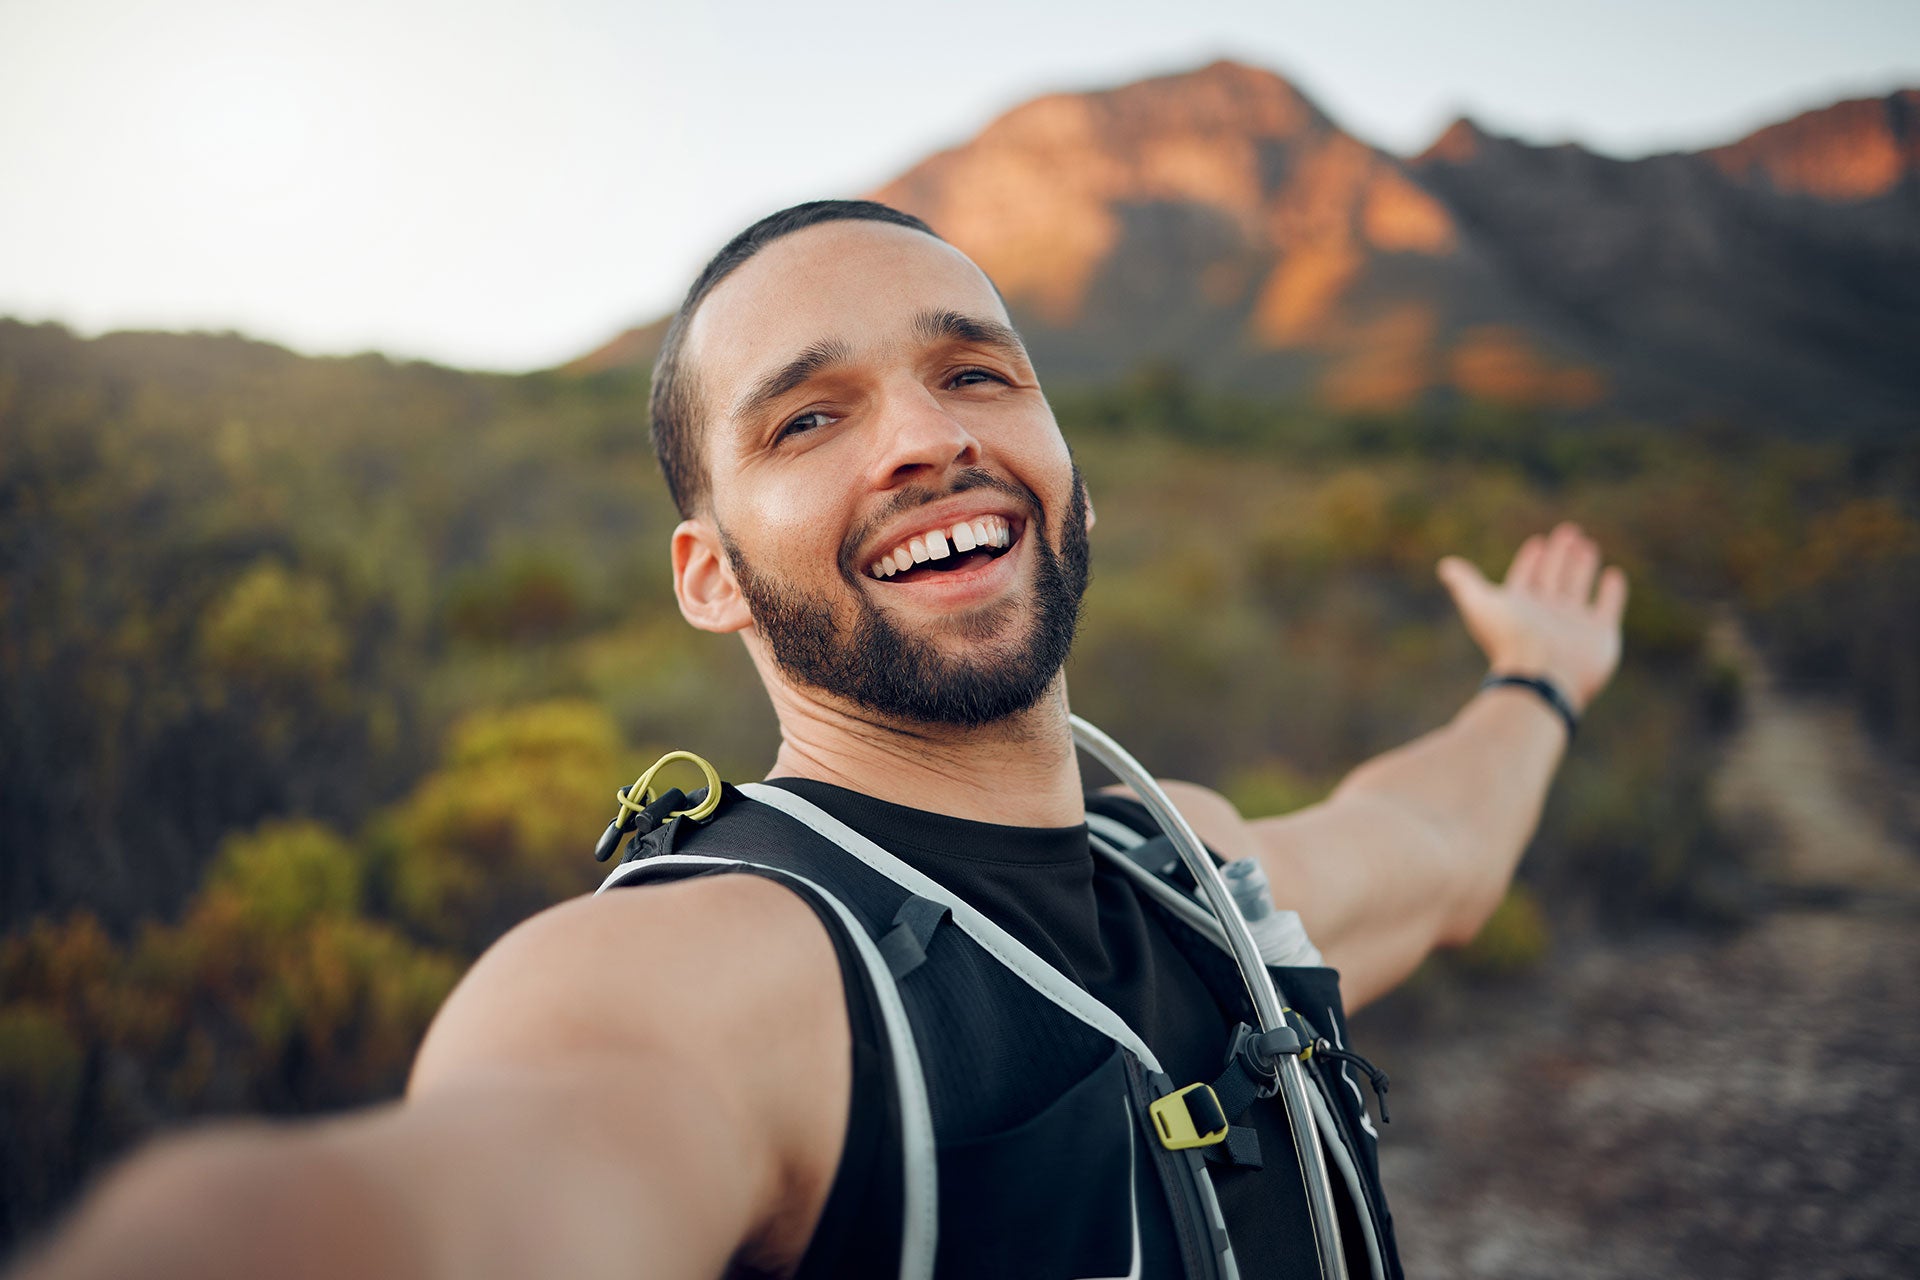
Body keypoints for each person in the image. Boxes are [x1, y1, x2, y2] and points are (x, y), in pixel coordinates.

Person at [11, 201, 1626, 1280]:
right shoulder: (707, 979)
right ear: (708, 577)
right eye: (809, 417)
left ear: (1073, 473)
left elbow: (1438, 852)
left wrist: (1537, 682)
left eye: (973, 371)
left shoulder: (1185, 861)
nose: (931, 437)